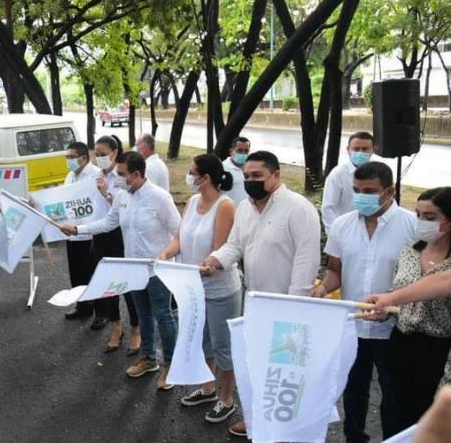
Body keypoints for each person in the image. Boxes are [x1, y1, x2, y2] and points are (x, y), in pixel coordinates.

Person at [200, 150, 321, 437]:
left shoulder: (298, 209)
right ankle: (257, 420)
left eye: (258, 176)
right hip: (254, 303)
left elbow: (306, 263)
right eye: (247, 176)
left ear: (276, 175)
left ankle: (286, 428)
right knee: (256, 369)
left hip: (288, 307)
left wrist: (293, 310)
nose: (251, 181)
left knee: (287, 375)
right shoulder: (245, 208)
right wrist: (215, 260)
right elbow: (234, 246)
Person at [310, 162, 415, 442]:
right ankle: (354, 437)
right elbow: (335, 271)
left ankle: (394, 438)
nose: (361, 197)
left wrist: (394, 307)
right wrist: (322, 288)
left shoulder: (412, 226)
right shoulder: (343, 225)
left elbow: (420, 280)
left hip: (394, 328)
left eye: (369, 191)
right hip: (353, 326)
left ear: (389, 191)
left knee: (393, 394)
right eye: (356, 191)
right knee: (353, 389)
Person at [62, 151, 182, 389]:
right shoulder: (122, 197)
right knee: (143, 314)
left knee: (163, 316)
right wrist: (78, 229)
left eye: (122, 175)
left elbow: (179, 233)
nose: (117, 179)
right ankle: (149, 358)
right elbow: (108, 222)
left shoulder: (160, 198)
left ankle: (171, 365)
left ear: (137, 174)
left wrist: (166, 256)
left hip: (158, 270)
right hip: (133, 269)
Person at [158, 154, 240, 424]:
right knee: (201, 341)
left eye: (192, 172)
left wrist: (209, 265)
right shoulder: (193, 202)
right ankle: (207, 389)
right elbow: (180, 238)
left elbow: (219, 249)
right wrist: (165, 256)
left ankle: (226, 399)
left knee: (223, 346)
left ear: (206, 178)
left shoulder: (225, 206)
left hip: (219, 289)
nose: (188, 176)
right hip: (192, 287)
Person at [364, 187, 451, 431]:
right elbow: (396, 298)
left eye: (430, 217)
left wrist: (391, 297)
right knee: (393, 411)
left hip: (438, 352)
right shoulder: (410, 251)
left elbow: (443, 283)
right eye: (418, 214)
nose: (421, 222)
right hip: (401, 344)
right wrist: (385, 310)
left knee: (428, 420)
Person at [93, 135, 140, 355]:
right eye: (96, 154)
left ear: (115, 152)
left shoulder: (122, 176)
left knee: (127, 284)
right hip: (100, 235)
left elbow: (125, 206)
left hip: (120, 236)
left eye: (103, 154)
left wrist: (106, 193)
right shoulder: (93, 175)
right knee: (107, 284)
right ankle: (115, 327)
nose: (99, 158)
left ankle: (136, 330)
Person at [61, 141, 103, 328]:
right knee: (76, 273)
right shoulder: (70, 176)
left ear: (83, 158)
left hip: (90, 233)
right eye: (67, 157)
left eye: (71, 157)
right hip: (72, 233)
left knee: (94, 274)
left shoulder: (96, 175)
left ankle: (102, 313)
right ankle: (83, 306)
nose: (68, 161)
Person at [322, 131, 375, 233]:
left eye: (365, 149)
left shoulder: (377, 174)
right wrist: (334, 235)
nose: (360, 152)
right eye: (356, 149)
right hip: (345, 232)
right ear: (348, 150)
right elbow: (328, 208)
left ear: (373, 150)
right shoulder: (338, 175)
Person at [222, 137, 250, 205]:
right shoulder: (222, 168)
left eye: (246, 151)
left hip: (247, 211)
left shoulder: (251, 168)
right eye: (239, 150)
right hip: (229, 212)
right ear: (231, 152)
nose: (243, 154)